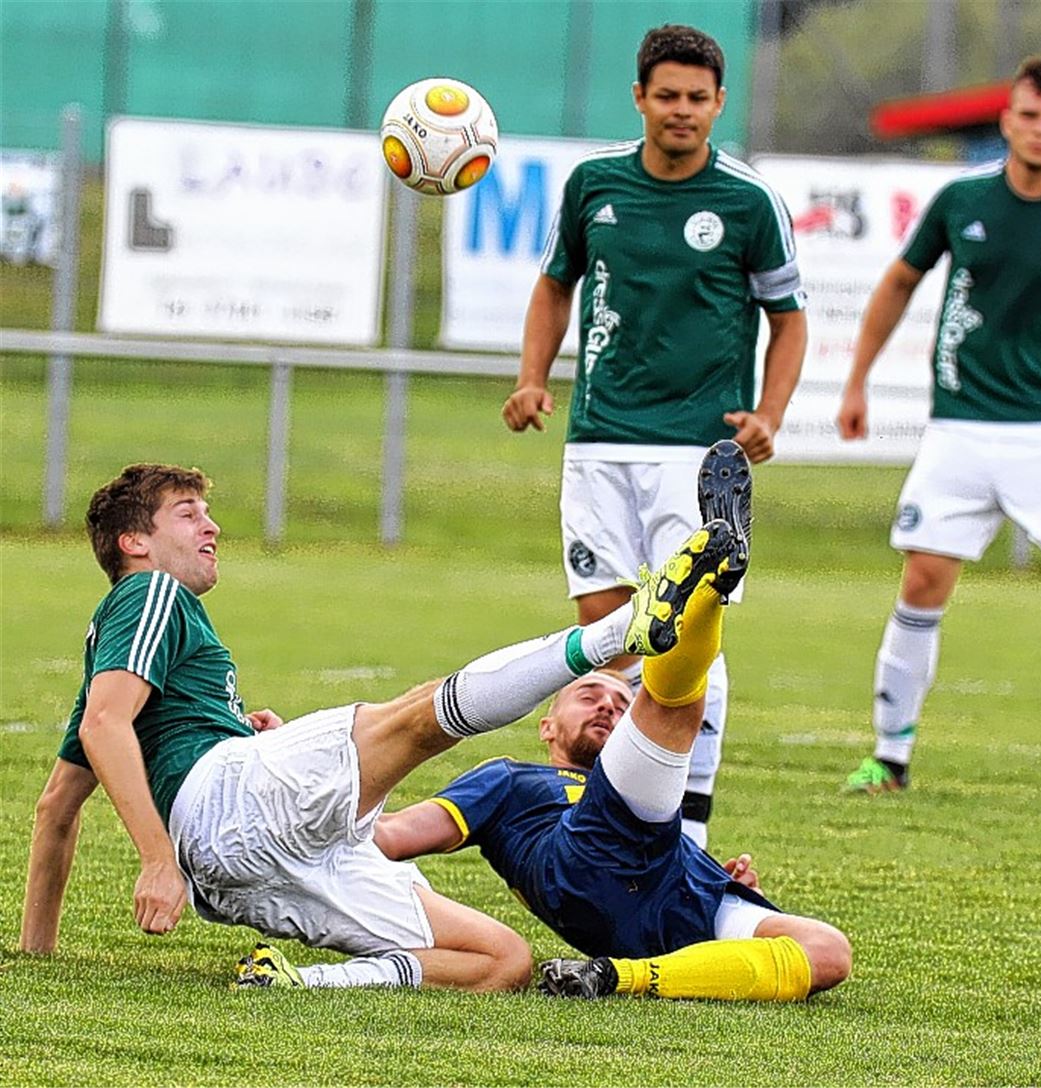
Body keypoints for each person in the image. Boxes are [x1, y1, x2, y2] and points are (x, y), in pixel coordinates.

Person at [19, 460, 740, 992]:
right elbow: (106, 727)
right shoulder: (150, 594)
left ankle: (297, 983)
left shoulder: (117, 655)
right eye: (186, 513)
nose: (211, 526)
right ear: (133, 544)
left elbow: (57, 807)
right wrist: (156, 857)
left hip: (250, 872)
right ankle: (620, 631)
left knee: (501, 961)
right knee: (421, 717)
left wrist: (38, 959)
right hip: (226, 809)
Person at [376, 443, 851, 1002]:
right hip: (583, 856)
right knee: (670, 705)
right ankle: (707, 587)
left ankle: (614, 977)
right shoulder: (509, 781)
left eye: (618, 703)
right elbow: (390, 838)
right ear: (546, 728)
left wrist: (718, 878)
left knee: (828, 952)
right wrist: (319, 777)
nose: (607, 703)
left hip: (676, 889)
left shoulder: (637, 786)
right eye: (587, 694)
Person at [501, 23, 808, 847]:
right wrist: (534, 377)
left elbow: (789, 320)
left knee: (690, 631)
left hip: (699, 452)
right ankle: (612, 830)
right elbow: (553, 284)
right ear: (639, 98)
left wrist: (768, 415)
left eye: (697, 99)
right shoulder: (594, 185)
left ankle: (690, 832)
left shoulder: (748, 202)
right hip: (598, 441)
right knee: (611, 642)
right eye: (666, 96)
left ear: (719, 103)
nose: (681, 112)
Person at [836, 56, 1041, 799]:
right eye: (1027, 115)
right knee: (922, 580)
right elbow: (899, 284)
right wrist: (856, 380)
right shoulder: (960, 201)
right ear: (1007, 120)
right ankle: (889, 755)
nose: (1040, 130)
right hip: (961, 429)